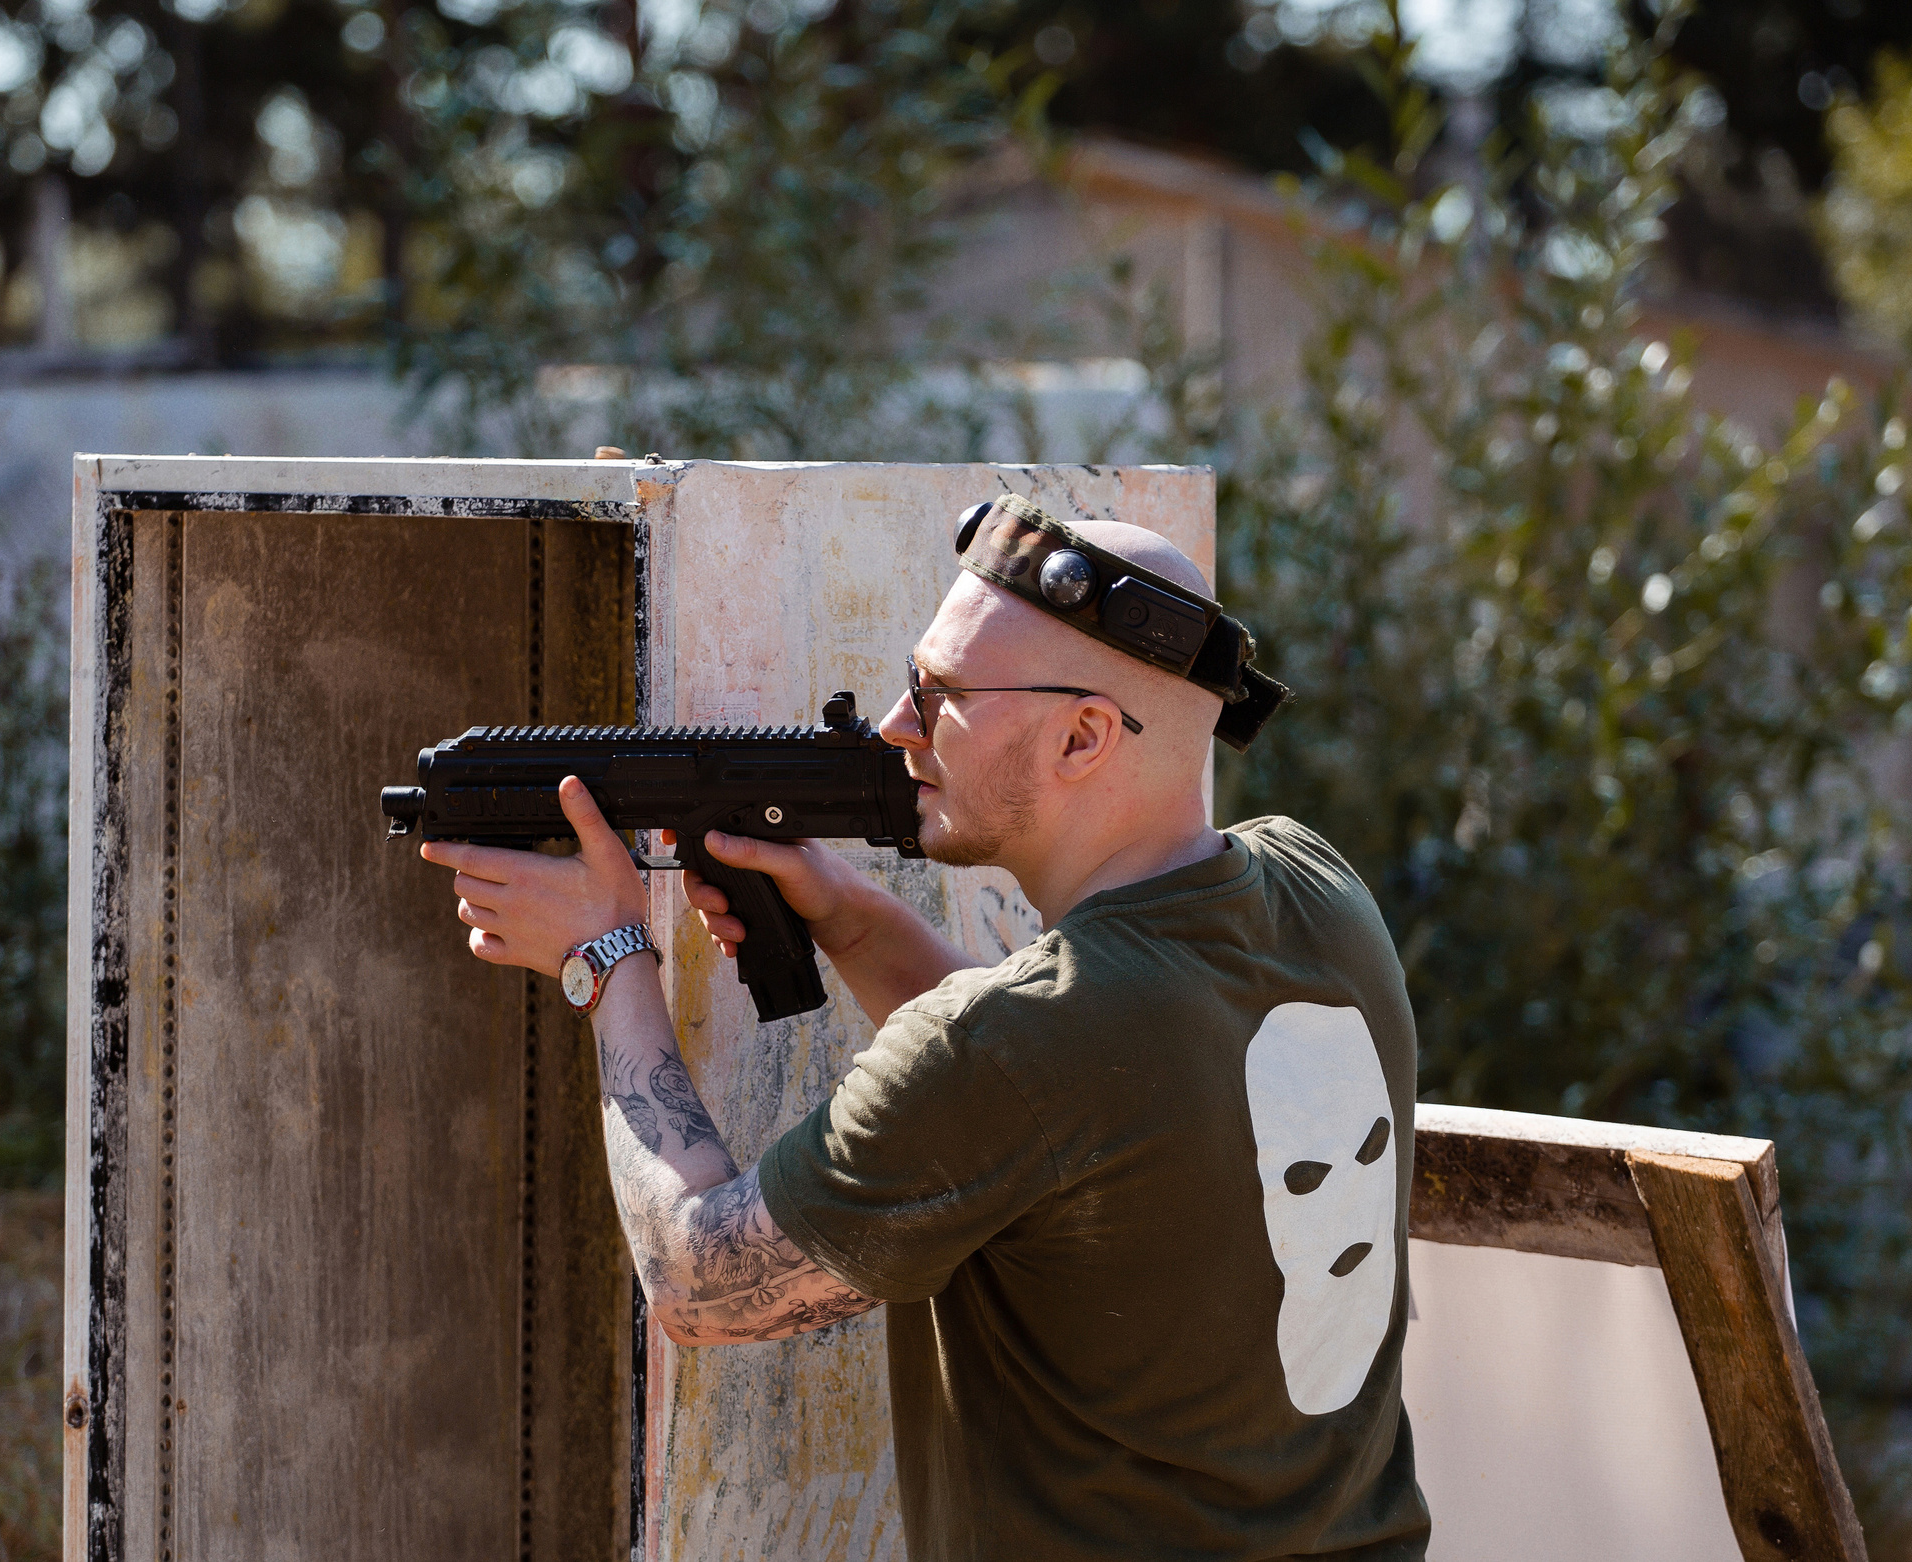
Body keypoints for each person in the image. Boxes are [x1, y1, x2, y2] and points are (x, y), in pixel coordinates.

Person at [423, 495, 1428, 1561]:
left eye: (939, 696)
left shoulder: (1017, 1045)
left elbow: (702, 1283)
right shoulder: (1318, 888)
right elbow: (1064, 1114)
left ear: (1083, 734)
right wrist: (857, 923)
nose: (899, 727)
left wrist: (606, 955)